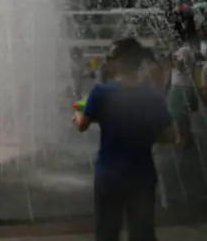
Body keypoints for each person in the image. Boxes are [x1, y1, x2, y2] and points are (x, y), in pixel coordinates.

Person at [74, 37, 178, 241]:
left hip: (109, 174)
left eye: (110, 57)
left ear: (120, 61)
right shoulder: (151, 96)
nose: (107, 61)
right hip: (142, 174)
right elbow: (172, 136)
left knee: (107, 232)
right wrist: (141, 134)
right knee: (143, 233)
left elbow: (82, 125)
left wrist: (76, 113)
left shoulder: (100, 93)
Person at [168, 16, 200, 147]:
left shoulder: (183, 50)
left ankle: (183, 138)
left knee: (177, 113)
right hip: (184, 85)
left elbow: (179, 67)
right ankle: (186, 137)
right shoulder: (186, 49)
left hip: (180, 86)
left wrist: (172, 55)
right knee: (182, 113)